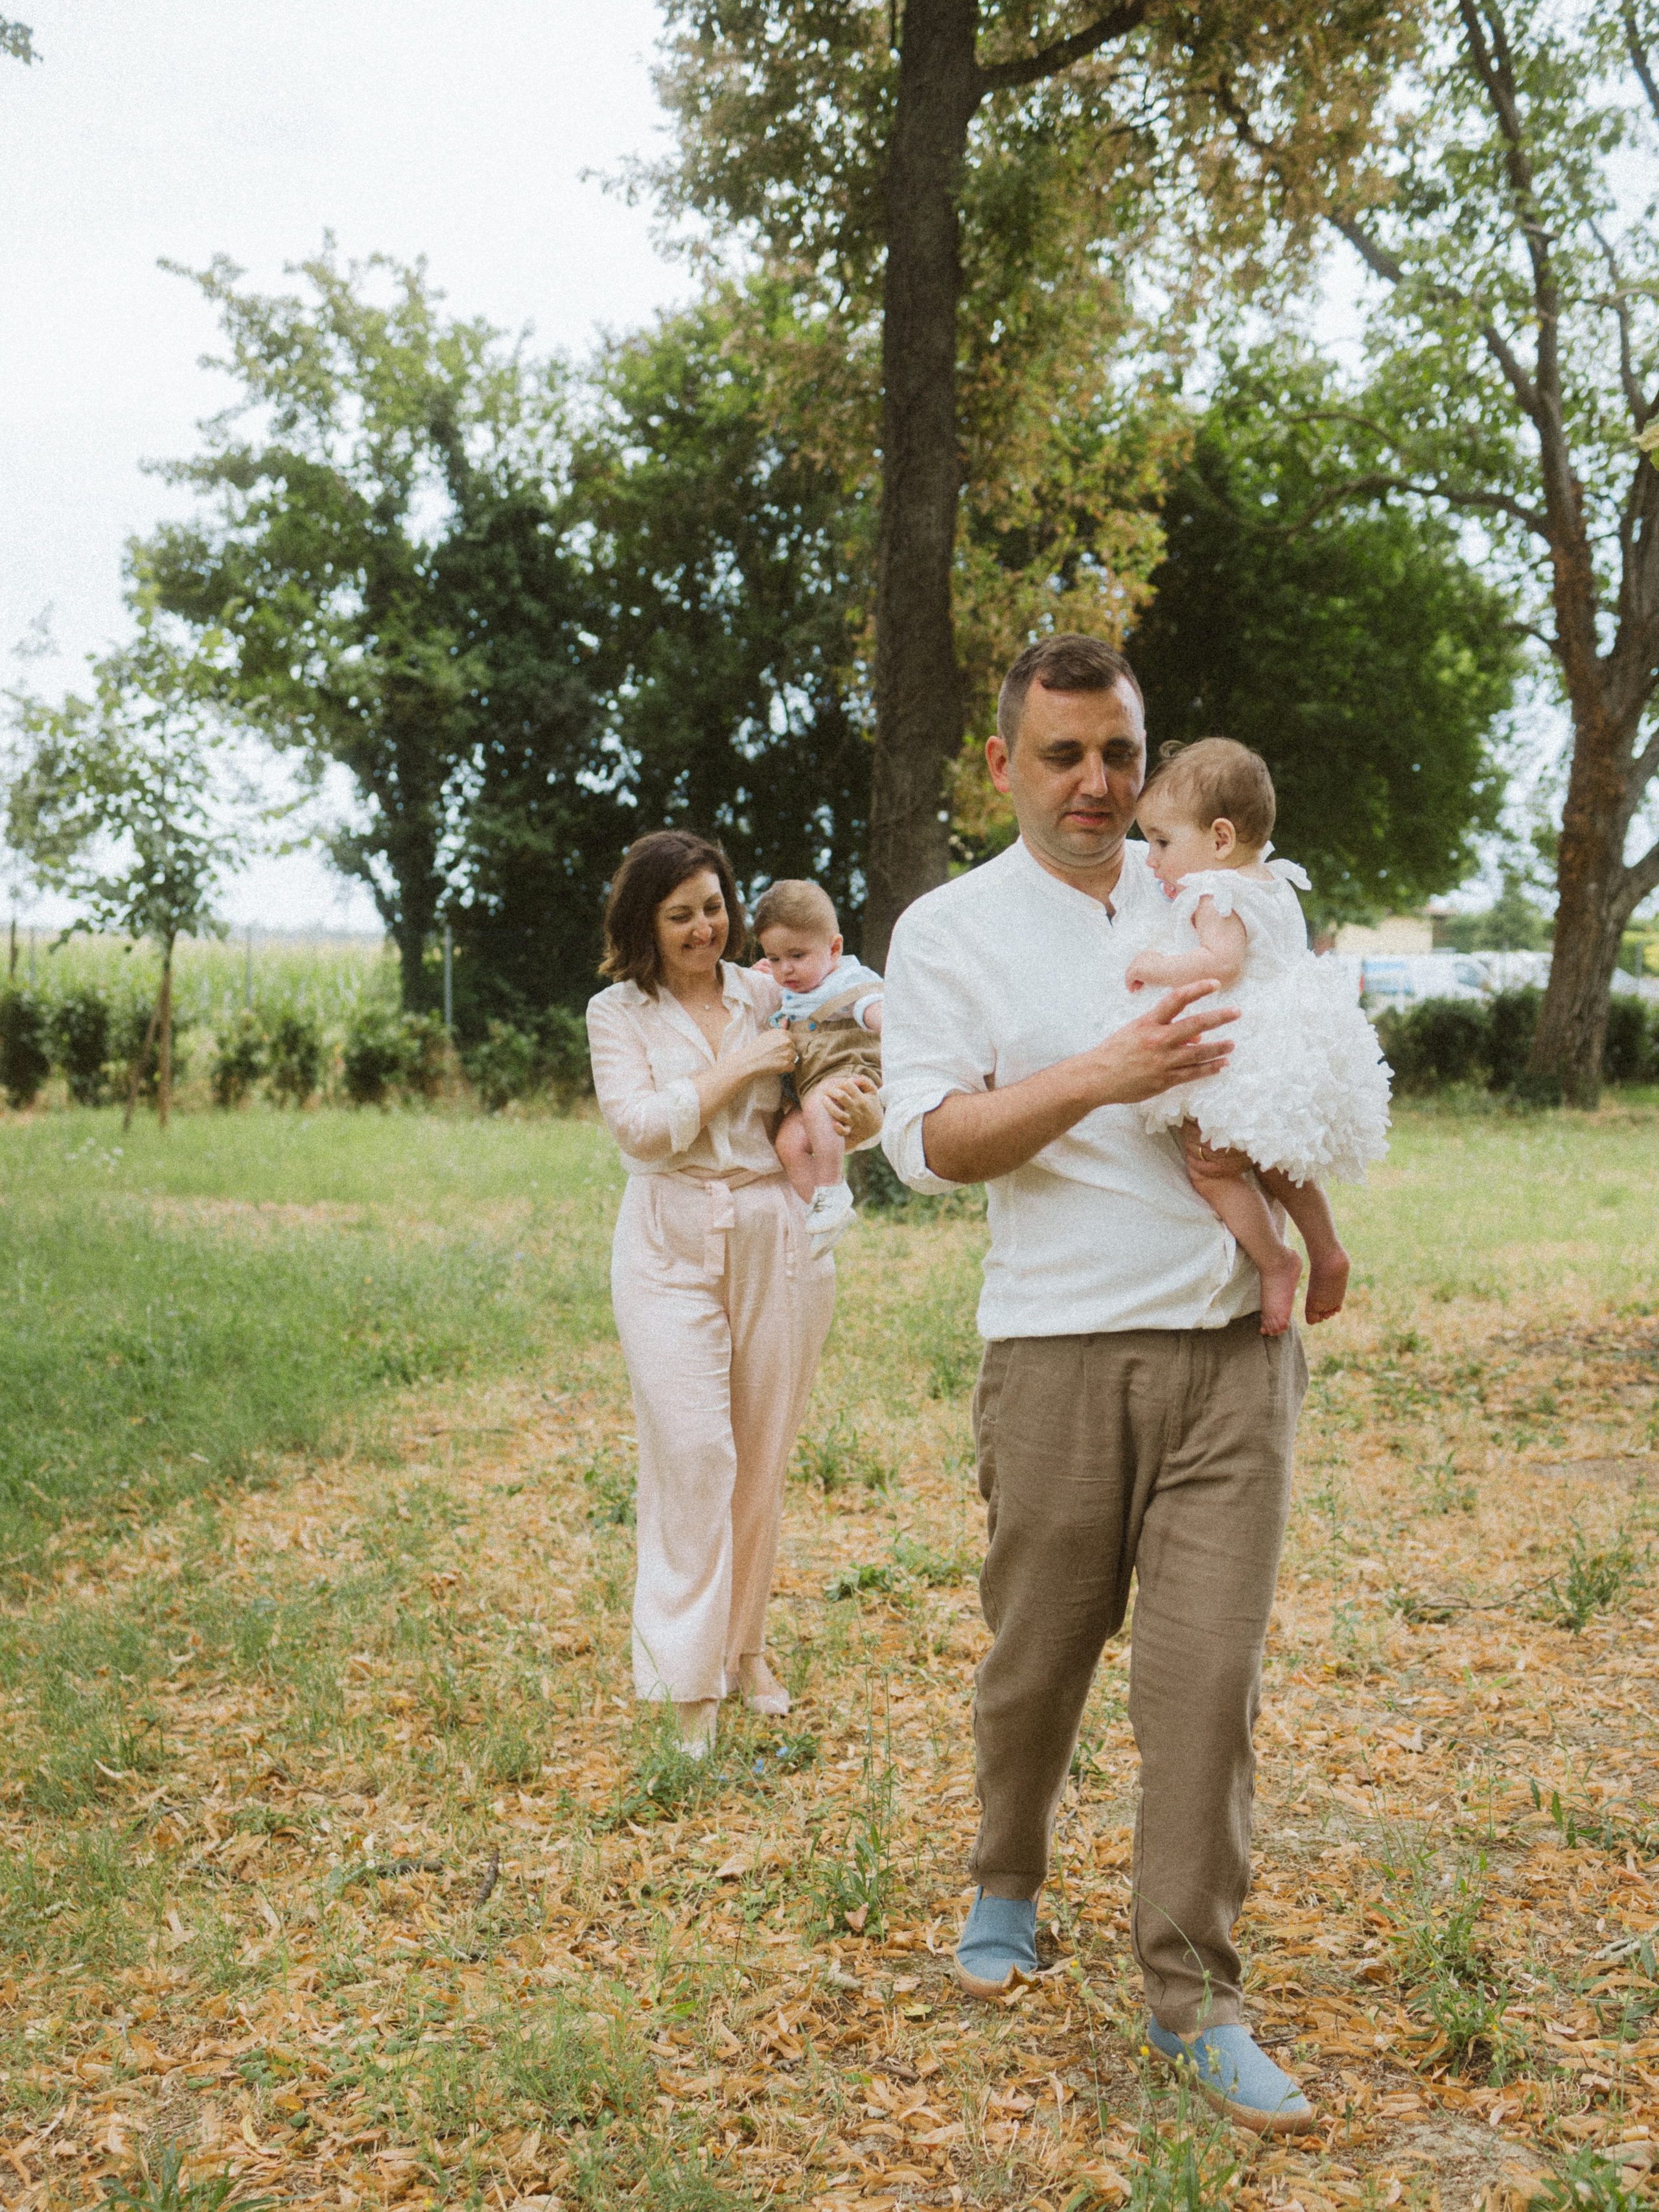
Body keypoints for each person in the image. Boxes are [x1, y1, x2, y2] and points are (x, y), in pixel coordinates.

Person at [880, 634, 1319, 2136]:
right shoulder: (947, 931)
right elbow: (927, 1144)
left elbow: (1294, 1054)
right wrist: (1099, 1073)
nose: (1093, 781)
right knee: (1035, 1657)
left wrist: (1303, 1201)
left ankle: (1193, 1999)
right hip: (1056, 1351)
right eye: (1060, 753)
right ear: (999, 763)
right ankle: (1005, 1874)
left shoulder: (1206, 892)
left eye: (1117, 752)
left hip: (1231, 1357)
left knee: (1204, 1687)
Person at [586, 831, 880, 1759]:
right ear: (645, 923)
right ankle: (688, 1685)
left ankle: (745, 1648)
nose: (703, 928)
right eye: (680, 915)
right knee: (694, 1452)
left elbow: (841, 1088)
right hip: (668, 1236)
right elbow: (642, 1130)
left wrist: (862, 1110)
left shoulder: (768, 990)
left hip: (772, 1230)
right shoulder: (616, 1013)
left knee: (760, 1454)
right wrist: (744, 1066)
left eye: (713, 908)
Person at [1126, 738, 1392, 1336]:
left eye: (1162, 842)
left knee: (1213, 1168)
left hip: (1241, 1051)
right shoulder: (1271, 880)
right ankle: (1327, 1247)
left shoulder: (1213, 892)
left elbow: (1221, 963)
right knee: (1275, 1160)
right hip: (1289, 1048)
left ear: (1220, 839)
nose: (1151, 860)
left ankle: (1276, 1260)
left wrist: (1155, 965)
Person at [752, 879, 885, 1260]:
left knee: (817, 1106)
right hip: (811, 1087)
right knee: (788, 1143)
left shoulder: (846, 979)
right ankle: (825, 1211)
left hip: (851, 1072)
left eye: (797, 955)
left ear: (834, 949)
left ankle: (831, 1187)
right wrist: (764, 971)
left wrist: (889, 1027)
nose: (786, 969)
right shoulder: (793, 987)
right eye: (775, 958)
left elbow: (872, 1007)